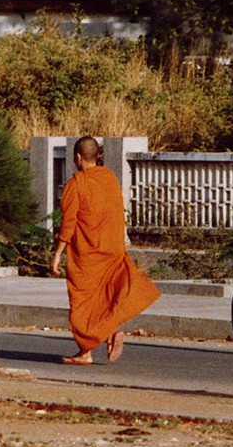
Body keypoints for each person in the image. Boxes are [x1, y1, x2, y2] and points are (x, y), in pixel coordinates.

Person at [50, 136, 160, 365]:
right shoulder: (110, 178)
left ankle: (88, 349)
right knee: (105, 297)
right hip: (111, 247)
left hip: (87, 253)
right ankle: (102, 336)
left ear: (78, 158)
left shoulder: (76, 183)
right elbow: (116, 212)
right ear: (98, 155)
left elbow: (68, 223)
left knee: (82, 302)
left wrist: (58, 252)